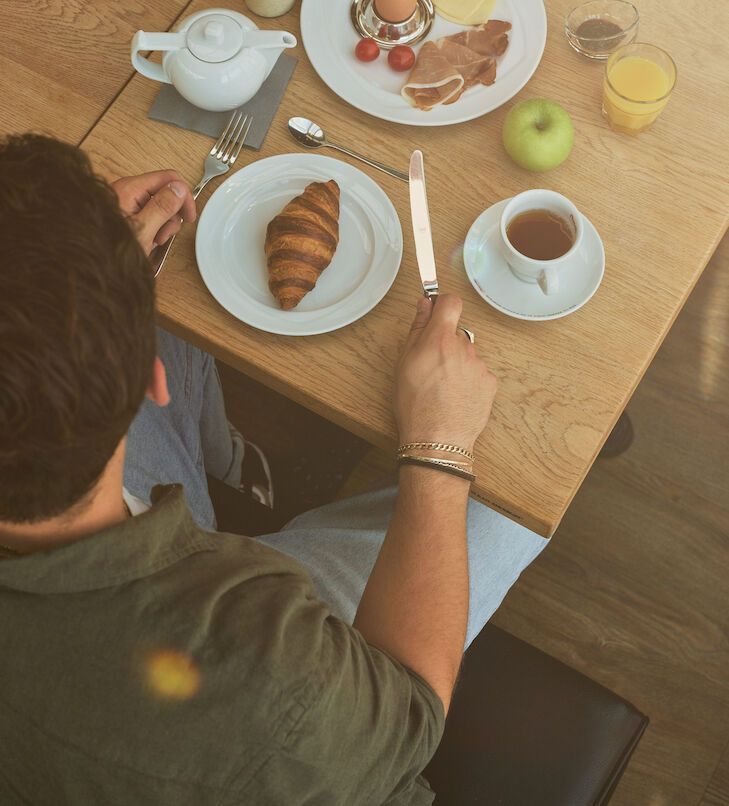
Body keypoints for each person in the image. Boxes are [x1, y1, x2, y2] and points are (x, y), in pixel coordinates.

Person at [0, 134, 548, 805]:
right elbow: (408, 708)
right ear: (152, 379)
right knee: (517, 497)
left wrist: (64, 262)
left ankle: (235, 472)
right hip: (286, 710)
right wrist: (441, 440)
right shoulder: (272, 692)